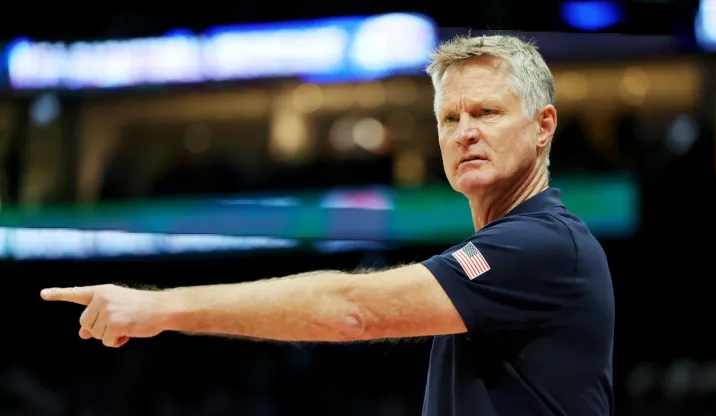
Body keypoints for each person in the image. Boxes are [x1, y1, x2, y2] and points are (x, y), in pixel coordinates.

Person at [41, 34, 614, 416]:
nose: (464, 131)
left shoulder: (543, 244)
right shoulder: (509, 247)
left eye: (487, 112)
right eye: (449, 117)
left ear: (544, 126)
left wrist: (160, 309)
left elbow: (351, 308)